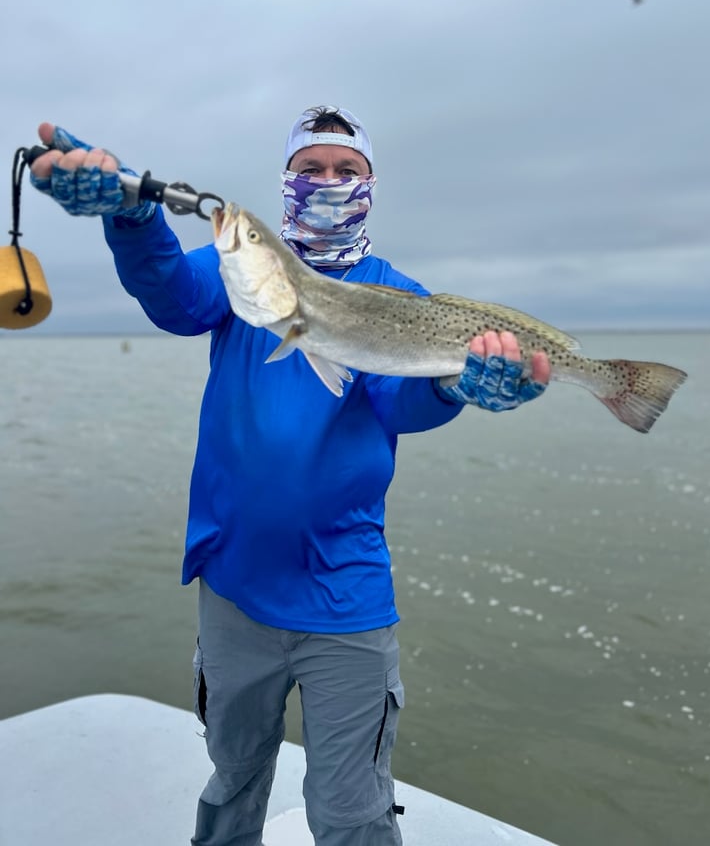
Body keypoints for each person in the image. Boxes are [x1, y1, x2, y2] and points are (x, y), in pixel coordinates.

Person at [29, 107, 550, 846]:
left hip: (347, 597)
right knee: (234, 778)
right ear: (286, 182)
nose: (329, 183)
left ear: (371, 184)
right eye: (311, 169)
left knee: (351, 810)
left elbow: (401, 401)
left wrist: (452, 387)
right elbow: (173, 296)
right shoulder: (246, 273)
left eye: (347, 171)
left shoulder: (398, 294)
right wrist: (134, 215)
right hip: (233, 588)